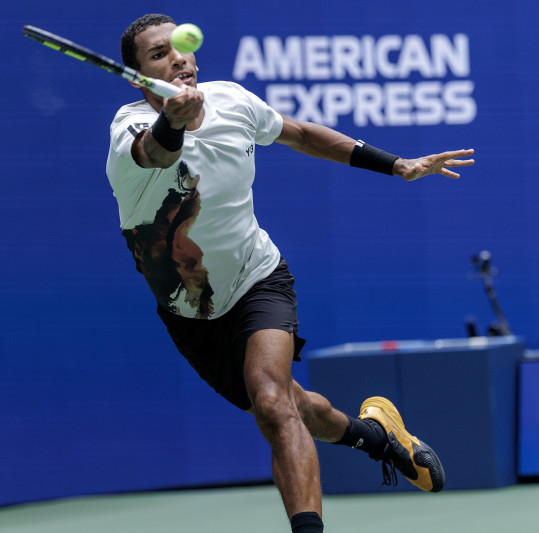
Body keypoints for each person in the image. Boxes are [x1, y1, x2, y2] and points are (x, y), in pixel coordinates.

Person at [106, 13, 474, 533]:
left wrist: (396, 164)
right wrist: (174, 120)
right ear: (137, 76)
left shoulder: (231, 100)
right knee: (293, 407)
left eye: (179, 47)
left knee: (273, 403)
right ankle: (378, 437)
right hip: (191, 311)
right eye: (158, 53)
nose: (178, 58)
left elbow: (301, 134)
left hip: (258, 278)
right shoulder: (128, 131)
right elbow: (155, 153)